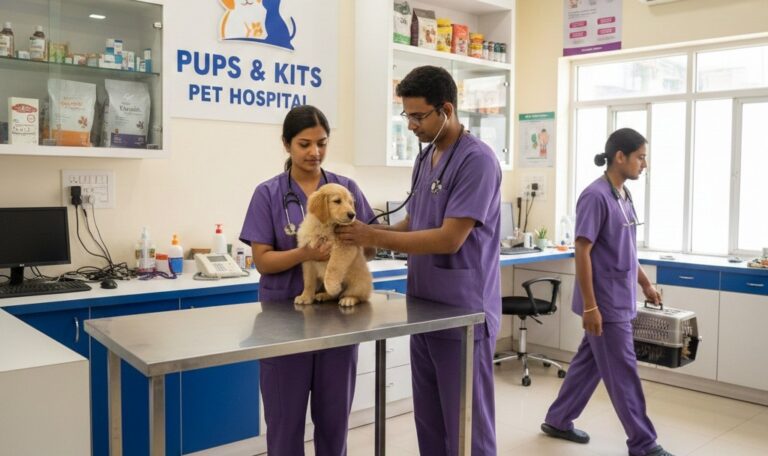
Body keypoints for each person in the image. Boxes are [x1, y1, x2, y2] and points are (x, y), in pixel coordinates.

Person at [336, 65, 501, 455]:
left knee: (467, 427)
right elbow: (416, 222)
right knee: (429, 421)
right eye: (406, 115)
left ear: (446, 109)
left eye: (418, 116)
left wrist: (374, 236)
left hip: (463, 312)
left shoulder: (477, 160)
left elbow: (449, 238)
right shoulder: (426, 158)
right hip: (424, 307)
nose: (411, 125)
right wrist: (367, 234)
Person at [239, 105, 376, 456]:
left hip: (338, 321)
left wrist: (355, 242)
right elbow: (263, 261)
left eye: (322, 143)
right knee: (285, 425)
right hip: (283, 322)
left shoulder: (346, 188)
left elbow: (371, 247)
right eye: (304, 144)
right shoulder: (268, 194)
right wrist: (306, 253)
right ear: (286, 144)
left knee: (334, 422)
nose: (315, 152)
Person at [540, 128, 674, 456]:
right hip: (605, 303)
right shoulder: (595, 196)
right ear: (620, 157)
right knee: (623, 372)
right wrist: (590, 307)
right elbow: (582, 251)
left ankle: (558, 419)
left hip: (620, 296)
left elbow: (626, 248)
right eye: (640, 157)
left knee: (589, 363)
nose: (645, 164)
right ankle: (644, 444)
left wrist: (645, 284)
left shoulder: (624, 196)